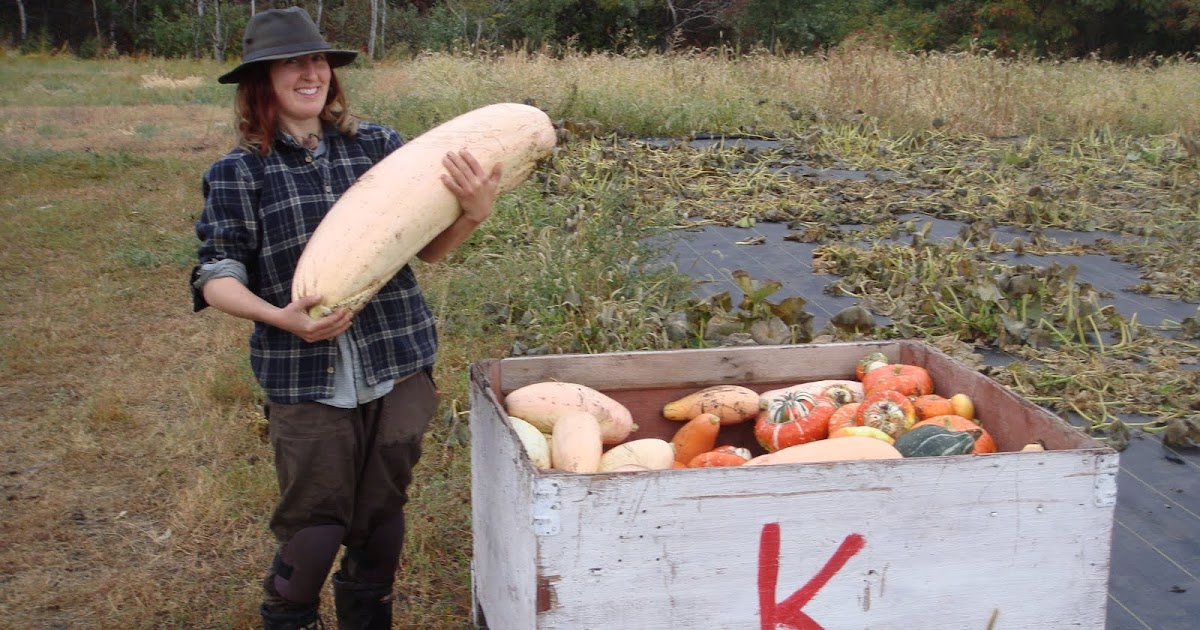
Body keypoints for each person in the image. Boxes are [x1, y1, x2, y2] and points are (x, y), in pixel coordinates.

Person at [189, 7, 501, 629]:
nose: (311, 74)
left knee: (381, 518)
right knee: (315, 527)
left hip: (396, 358)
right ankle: (290, 614)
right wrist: (282, 318)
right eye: (291, 63)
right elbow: (215, 274)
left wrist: (472, 212)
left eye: (318, 61)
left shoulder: (380, 147)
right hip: (304, 374)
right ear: (261, 80)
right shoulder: (239, 171)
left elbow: (428, 249)